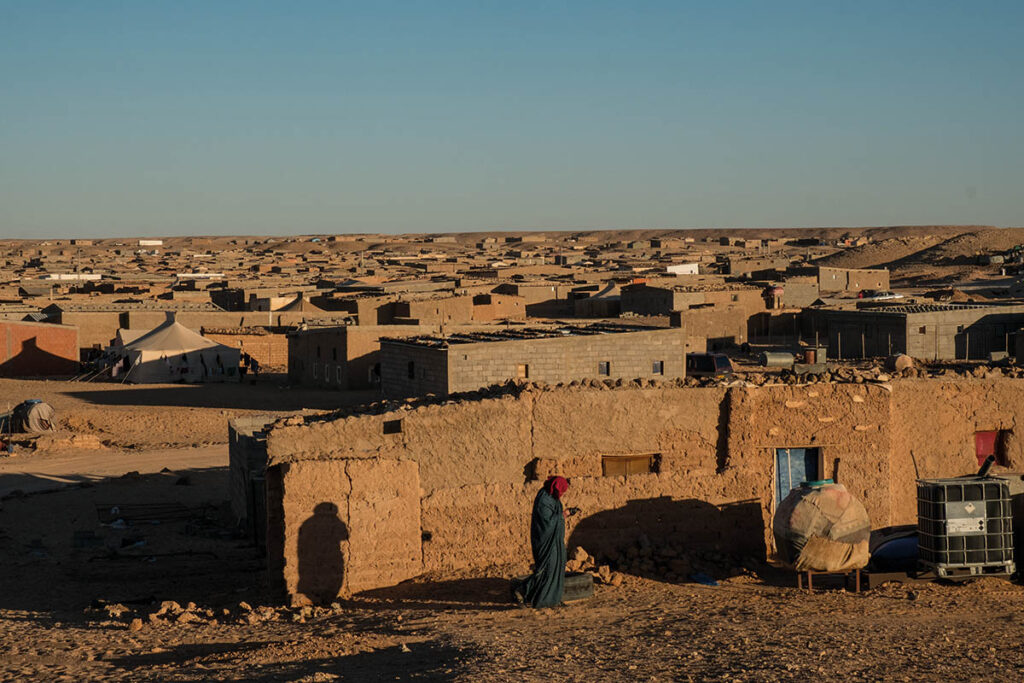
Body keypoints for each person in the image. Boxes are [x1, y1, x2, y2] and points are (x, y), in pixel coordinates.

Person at [513, 476, 571, 608]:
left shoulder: (554, 499)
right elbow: (546, 523)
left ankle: (552, 600)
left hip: (555, 541)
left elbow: (556, 516)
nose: (561, 494)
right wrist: (564, 515)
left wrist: (564, 514)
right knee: (546, 569)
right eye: (560, 491)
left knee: (558, 565)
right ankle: (522, 590)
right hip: (545, 541)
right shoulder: (543, 499)